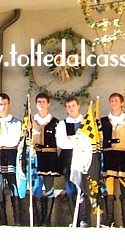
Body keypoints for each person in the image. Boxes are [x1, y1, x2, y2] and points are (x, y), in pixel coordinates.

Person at [0, 93, 24, 225]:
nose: (2, 107)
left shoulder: (16, 122)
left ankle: (18, 218)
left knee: (14, 185)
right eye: (0, 104)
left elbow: (13, 140)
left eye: (5, 104)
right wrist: (0, 142)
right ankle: (2, 218)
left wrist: (0, 142)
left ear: (9, 104)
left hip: (11, 155)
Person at [100, 93, 125, 228]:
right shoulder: (103, 121)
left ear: (122, 103)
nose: (114, 103)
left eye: (116, 101)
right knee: (109, 187)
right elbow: (100, 138)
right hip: (108, 155)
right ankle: (109, 219)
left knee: (124, 188)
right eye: (111, 101)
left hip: (124, 155)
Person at [55, 96, 89, 227]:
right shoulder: (62, 124)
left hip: (83, 158)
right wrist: (77, 141)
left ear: (78, 106)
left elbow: (88, 141)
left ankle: (83, 219)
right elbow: (62, 143)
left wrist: (72, 139)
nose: (71, 109)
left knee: (82, 186)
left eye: (73, 106)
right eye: (68, 107)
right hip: (68, 158)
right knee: (70, 187)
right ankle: (74, 218)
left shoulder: (86, 122)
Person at [30, 92, 61, 226]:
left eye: (43, 102)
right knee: (36, 186)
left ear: (48, 104)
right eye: (39, 102)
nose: (41, 105)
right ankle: (38, 218)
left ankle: (46, 219)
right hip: (36, 157)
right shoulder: (31, 121)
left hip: (50, 157)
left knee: (49, 186)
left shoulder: (55, 122)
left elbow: (59, 142)